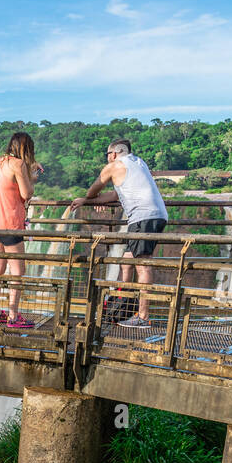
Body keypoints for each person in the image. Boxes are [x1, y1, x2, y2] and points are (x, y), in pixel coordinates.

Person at [70, 138, 169, 327]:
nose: (107, 158)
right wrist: (94, 201)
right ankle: (124, 304)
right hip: (155, 216)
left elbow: (93, 190)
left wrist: (87, 199)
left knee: (142, 265)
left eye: (107, 154)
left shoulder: (114, 166)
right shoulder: (139, 163)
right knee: (126, 260)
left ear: (114, 153)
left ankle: (143, 317)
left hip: (143, 218)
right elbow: (115, 195)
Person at [0, 132, 42, 328]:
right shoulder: (19, 165)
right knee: (17, 271)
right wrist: (32, 178)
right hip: (11, 223)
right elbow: (26, 193)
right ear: (27, 149)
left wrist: (28, 172)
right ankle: (14, 316)